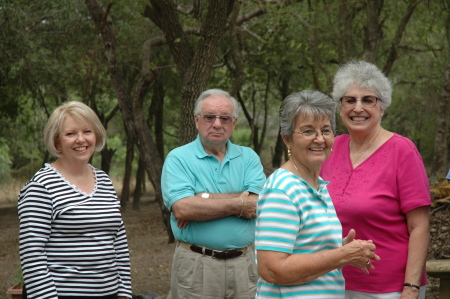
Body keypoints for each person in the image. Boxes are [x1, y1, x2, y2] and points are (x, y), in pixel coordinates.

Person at [321, 60, 431, 299]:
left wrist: (411, 288)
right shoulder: (330, 148)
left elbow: (419, 227)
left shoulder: (403, 151)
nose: (357, 108)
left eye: (368, 100)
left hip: (389, 289)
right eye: (349, 100)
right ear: (340, 107)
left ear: (382, 107)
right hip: (331, 282)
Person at [255, 90, 380, 299]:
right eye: (307, 131)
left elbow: (303, 249)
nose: (320, 139)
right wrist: (339, 256)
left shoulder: (317, 185)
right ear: (286, 139)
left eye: (326, 130)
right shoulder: (282, 190)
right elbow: (271, 269)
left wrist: (342, 250)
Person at [18, 101, 132, 299]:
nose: (81, 139)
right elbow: (32, 254)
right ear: (57, 142)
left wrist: (124, 293)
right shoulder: (41, 186)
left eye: (87, 131)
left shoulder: (104, 180)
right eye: (70, 134)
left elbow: (118, 242)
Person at [161, 88, 266, 298]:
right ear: (196, 120)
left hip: (244, 266)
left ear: (234, 123)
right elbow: (183, 208)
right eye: (210, 117)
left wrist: (202, 198)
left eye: (225, 118)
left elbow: (259, 204)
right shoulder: (178, 158)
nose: (217, 124)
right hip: (196, 266)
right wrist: (240, 202)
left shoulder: (249, 157)